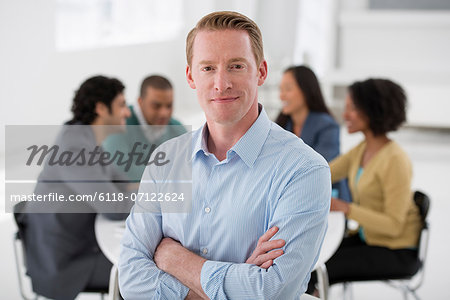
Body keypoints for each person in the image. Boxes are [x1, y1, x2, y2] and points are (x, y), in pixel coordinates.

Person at [119, 11, 331, 299]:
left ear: (261, 72)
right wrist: (237, 285)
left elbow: (272, 291)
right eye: (208, 68)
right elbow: (130, 279)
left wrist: (173, 259)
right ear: (190, 76)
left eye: (236, 66)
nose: (221, 83)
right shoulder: (165, 160)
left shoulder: (304, 170)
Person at [15, 76, 135, 300]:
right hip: (66, 262)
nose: (127, 112)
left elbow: (122, 182)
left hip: (79, 243)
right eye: (121, 105)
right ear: (101, 108)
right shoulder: (74, 147)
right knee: (139, 271)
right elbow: (115, 206)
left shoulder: (85, 137)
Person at [307, 78, 422, 294]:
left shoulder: (395, 159)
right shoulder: (363, 149)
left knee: (315, 270)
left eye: (352, 108)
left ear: (372, 110)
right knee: (308, 258)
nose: (345, 115)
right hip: (369, 239)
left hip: (396, 250)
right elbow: (323, 173)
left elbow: (393, 225)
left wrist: (347, 208)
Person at [276, 65, 351, 201]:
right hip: (293, 198)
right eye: (280, 90)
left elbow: (318, 169)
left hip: (327, 200)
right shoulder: (281, 127)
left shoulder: (327, 126)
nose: (281, 95)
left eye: (288, 89)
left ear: (306, 90)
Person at [103, 75, 186, 181]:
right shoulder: (118, 124)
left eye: (169, 106)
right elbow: (120, 173)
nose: (164, 113)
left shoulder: (178, 129)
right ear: (140, 102)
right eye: (156, 106)